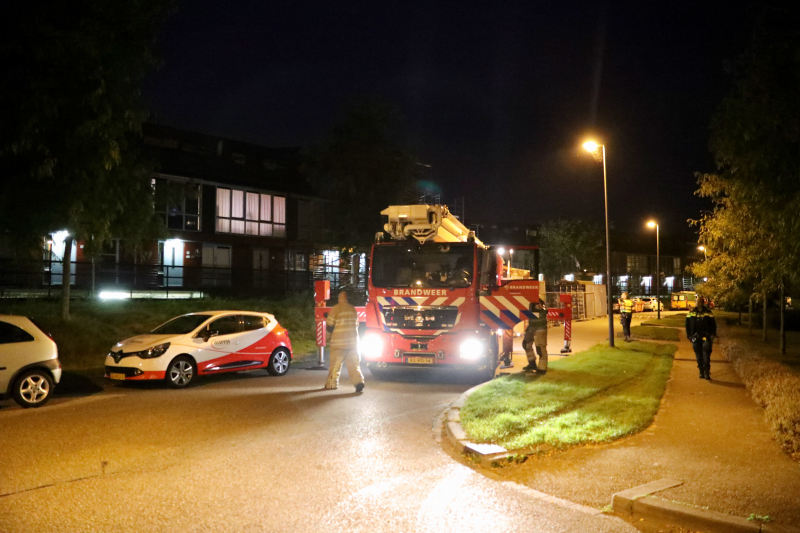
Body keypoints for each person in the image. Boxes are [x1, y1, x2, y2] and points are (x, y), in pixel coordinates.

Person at [324, 291, 365, 392]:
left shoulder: (335, 308)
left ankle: (331, 384)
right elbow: (357, 324)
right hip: (353, 343)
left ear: (339, 298)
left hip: (339, 344)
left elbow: (330, 325)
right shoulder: (352, 309)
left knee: (335, 366)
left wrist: (327, 337)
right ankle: (359, 382)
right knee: (354, 365)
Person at [685, 296, 717, 380]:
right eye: (697, 301)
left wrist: (712, 335)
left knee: (706, 356)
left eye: (699, 302)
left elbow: (713, 324)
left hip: (706, 337)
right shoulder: (691, 313)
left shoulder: (708, 313)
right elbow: (687, 325)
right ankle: (701, 371)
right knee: (699, 356)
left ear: (702, 303)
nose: (698, 303)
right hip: (695, 338)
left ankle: (706, 372)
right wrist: (690, 336)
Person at [522, 299, 548, 374]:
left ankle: (542, 368)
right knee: (526, 344)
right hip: (531, 328)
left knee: (540, 348)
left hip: (540, 328)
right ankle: (532, 363)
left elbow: (542, 311)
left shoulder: (539, 303)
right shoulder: (530, 302)